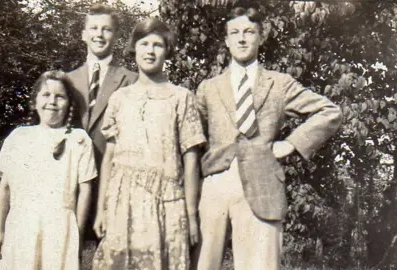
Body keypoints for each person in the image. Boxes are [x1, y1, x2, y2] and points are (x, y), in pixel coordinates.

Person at [195, 7, 343, 270]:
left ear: (260, 37)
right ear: (227, 40)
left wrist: (292, 143)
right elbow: (192, 134)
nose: (242, 39)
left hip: (263, 183)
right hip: (215, 183)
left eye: (249, 32)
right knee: (202, 264)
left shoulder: (279, 83)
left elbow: (329, 111)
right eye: (235, 33)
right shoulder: (208, 88)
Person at [92, 18, 206, 270]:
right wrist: (101, 209)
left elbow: (190, 160)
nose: (150, 51)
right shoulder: (119, 98)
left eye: (158, 45)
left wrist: (191, 215)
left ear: (167, 51)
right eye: (144, 44)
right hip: (124, 205)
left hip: (167, 204)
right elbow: (109, 158)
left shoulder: (181, 97)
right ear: (134, 49)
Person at [0, 71, 97, 270]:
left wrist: (79, 235)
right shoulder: (19, 137)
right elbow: (5, 188)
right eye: (46, 95)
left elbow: (85, 191)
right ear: (35, 101)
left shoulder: (79, 140)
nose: (52, 102)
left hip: (61, 229)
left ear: (69, 104)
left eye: (60, 96)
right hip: (22, 224)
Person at [67, 3, 138, 168]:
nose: (99, 34)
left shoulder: (131, 80)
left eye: (106, 29)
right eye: (94, 28)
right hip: (73, 170)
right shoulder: (68, 80)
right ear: (84, 34)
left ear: (116, 36)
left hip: (113, 170)